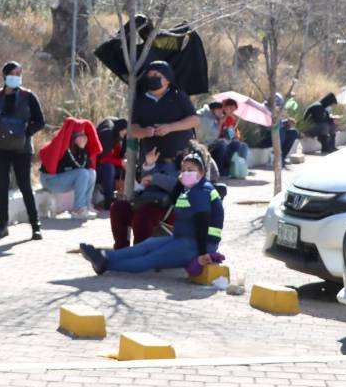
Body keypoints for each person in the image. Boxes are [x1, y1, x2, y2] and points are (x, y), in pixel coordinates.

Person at [80, 150, 223, 275]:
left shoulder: (202, 190)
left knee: (151, 258)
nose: (186, 173)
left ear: (202, 172)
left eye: (190, 170)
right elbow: (170, 201)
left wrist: (203, 253)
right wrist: (180, 183)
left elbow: (202, 222)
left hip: (198, 244)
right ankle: (103, 255)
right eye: (183, 170)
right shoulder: (190, 188)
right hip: (182, 238)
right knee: (147, 245)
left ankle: (106, 264)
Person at [0, 62, 45, 240]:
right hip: (1, 148)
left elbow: (40, 121)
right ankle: (2, 224)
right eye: (13, 73)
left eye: (19, 73)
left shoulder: (28, 96)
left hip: (22, 149)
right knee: (2, 187)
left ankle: (36, 225)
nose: (17, 76)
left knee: (25, 187)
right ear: (5, 76)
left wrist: (25, 133)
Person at [130, 60, 199, 162]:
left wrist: (170, 127)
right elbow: (133, 129)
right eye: (149, 75)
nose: (152, 78)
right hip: (151, 163)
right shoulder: (140, 101)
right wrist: (144, 132)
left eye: (156, 75)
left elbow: (195, 120)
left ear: (167, 79)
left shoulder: (178, 96)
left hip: (181, 162)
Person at [37, 118, 101, 218]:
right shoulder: (63, 148)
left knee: (91, 172)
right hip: (50, 180)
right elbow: (79, 168)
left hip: (64, 180)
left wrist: (82, 149)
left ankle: (87, 205)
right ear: (73, 137)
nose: (84, 138)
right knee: (83, 173)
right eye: (80, 135)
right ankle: (78, 209)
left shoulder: (81, 149)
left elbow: (86, 167)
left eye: (84, 135)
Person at [95, 118, 128, 210]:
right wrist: (120, 162)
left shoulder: (121, 140)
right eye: (123, 132)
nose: (123, 135)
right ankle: (108, 201)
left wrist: (123, 162)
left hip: (114, 167)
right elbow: (103, 159)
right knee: (109, 168)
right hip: (100, 168)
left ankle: (124, 197)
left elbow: (119, 156)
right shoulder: (108, 135)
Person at [211, 98, 250, 176]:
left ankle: (237, 168)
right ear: (225, 107)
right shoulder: (219, 116)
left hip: (227, 141)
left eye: (234, 109)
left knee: (241, 145)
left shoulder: (231, 119)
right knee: (222, 144)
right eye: (230, 108)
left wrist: (234, 135)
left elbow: (231, 135)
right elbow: (215, 135)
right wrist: (221, 123)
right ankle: (220, 170)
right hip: (216, 141)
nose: (232, 111)